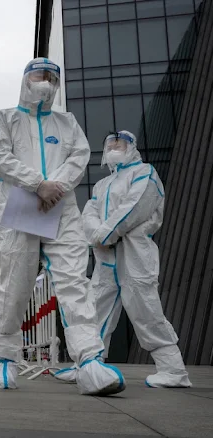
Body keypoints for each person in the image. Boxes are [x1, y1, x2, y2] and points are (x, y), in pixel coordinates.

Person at [0, 58, 125, 395]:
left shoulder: (67, 122)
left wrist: (55, 187)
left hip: (61, 211)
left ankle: (89, 360)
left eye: (52, 77)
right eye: (40, 75)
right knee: (12, 285)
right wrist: (37, 184)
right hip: (19, 208)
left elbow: (79, 156)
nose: (46, 82)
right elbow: (0, 158)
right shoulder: (4, 119)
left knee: (74, 282)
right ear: (25, 79)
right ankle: (6, 359)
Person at [54, 131, 191, 388]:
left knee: (146, 311)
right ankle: (87, 364)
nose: (115, 147)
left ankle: (173, 370)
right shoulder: (102, 185)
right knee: (94, 311)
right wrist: (98, 235)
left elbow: (135, 207)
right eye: (111, 144)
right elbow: (89, 213)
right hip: (106, 259)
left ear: (132, 147)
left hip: (134, 255)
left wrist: (105, 233)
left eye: (121, 143)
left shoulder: (145, 173)